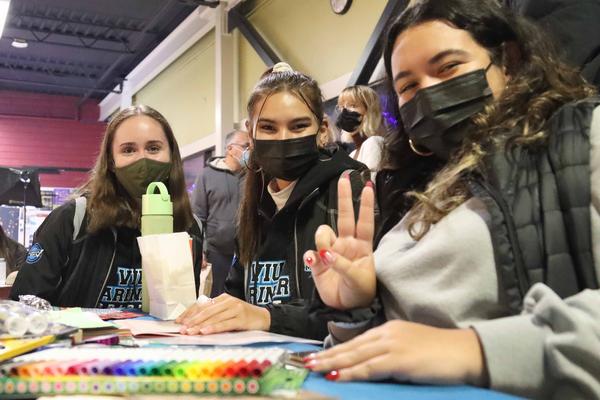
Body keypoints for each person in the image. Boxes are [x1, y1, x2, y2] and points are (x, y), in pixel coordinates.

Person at [301, 1, 600, 398]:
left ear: (507, 61)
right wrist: (353, 312)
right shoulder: (414, 187)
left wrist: (475, 348)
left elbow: (432, 348)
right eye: (408, 86)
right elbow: (383, 351)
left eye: (448, 68)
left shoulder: (580, 139)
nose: (428, 93)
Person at [176, 62, 370, 340]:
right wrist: (212, 312)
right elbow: (237, 294)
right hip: (255, 370)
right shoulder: (255, 204)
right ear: (251, 134)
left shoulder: (350, 189)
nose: (283, 139)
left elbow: (362, 315)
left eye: (299, 126)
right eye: (268, 127)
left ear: (323, 129)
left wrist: (266, 316)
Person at [10, 105, 203, 308]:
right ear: (111, 161)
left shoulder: (190, 227)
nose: (142, 159)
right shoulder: (73, 219)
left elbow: (185, 310)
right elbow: (24, 302)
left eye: (153, 148)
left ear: (171, 155)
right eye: (128, 150)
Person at [191, 130, 250, 297]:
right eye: (245, 146)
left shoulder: (252, 176)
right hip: (217, 252)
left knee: (242, 301)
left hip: (246, 253)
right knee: (216, 298)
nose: (249, 151)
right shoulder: (206, 175)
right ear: (230, 149)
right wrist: (200, 250)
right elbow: (198, 216)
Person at [336, 85, 385, 179]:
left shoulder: (373, 142)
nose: (345, 111)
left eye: (353, 105)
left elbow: (370, 185)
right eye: (342, 107)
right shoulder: (352, 154)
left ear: (369, 110)